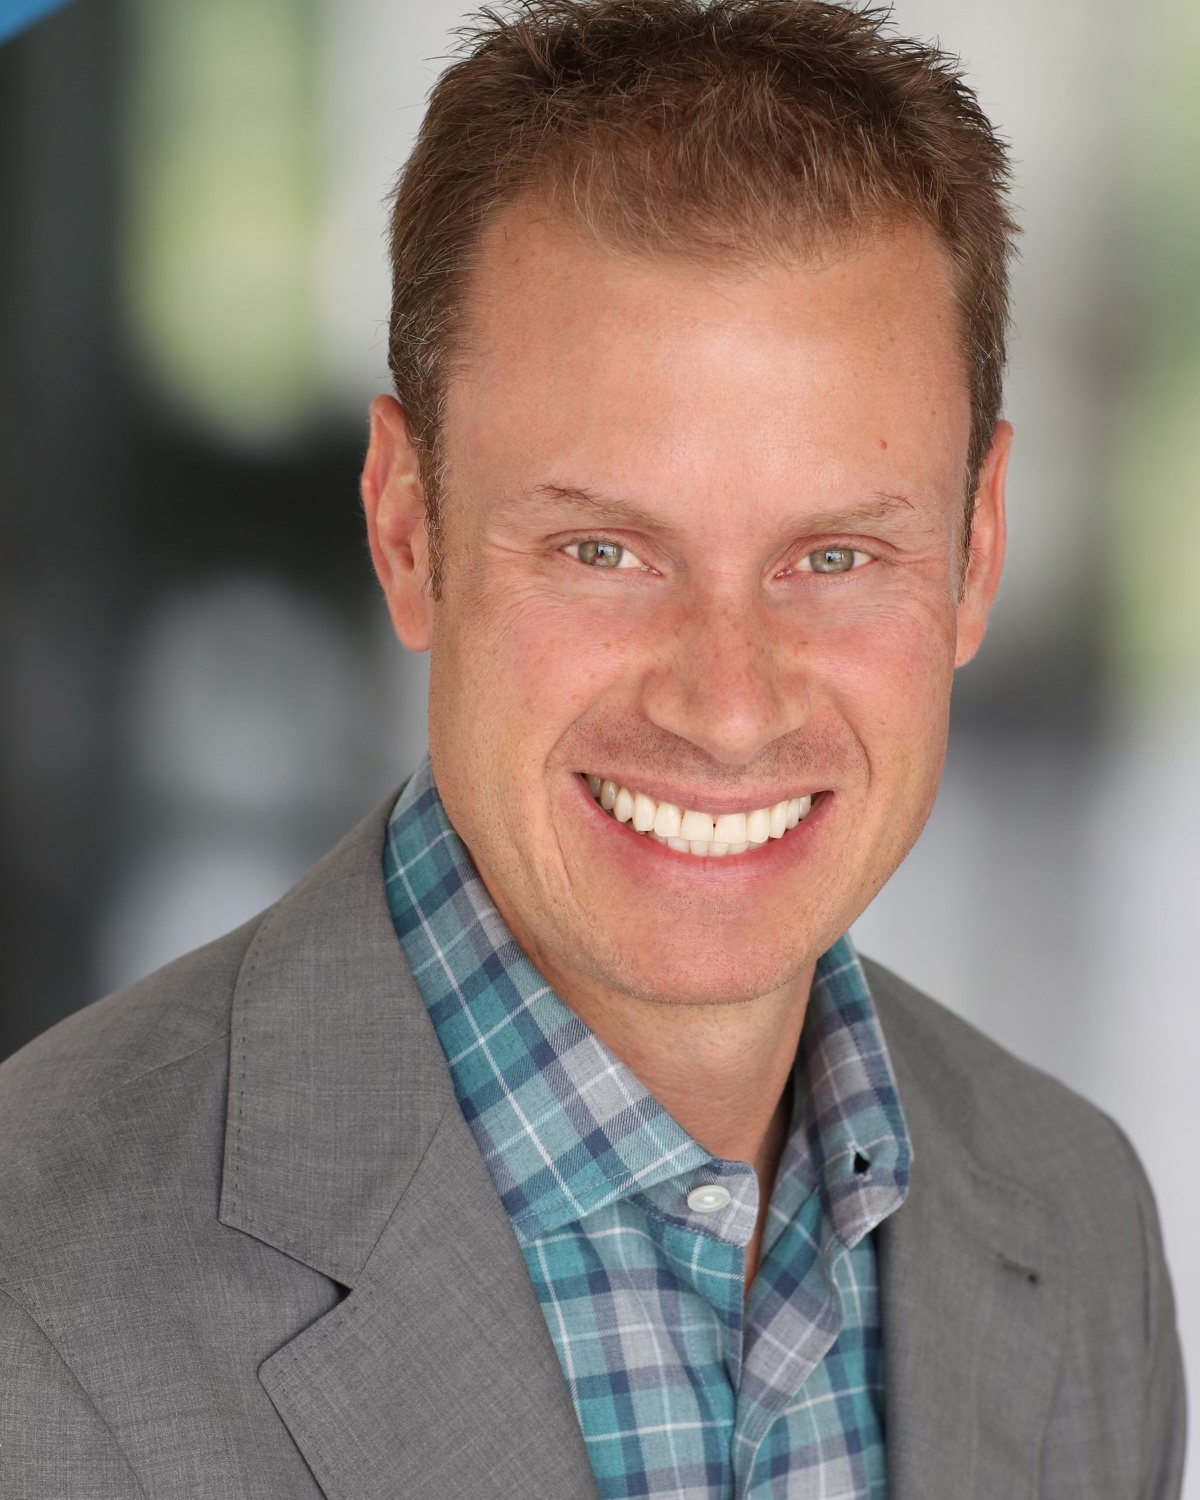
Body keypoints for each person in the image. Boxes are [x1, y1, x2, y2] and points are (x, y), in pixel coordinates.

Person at [0, 2, 1185, 1496]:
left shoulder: (1075, 1231)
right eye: (606, 549)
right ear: (407, 527)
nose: (730, 703)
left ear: (976, 546)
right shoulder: (31, 1296)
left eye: (833, 558)